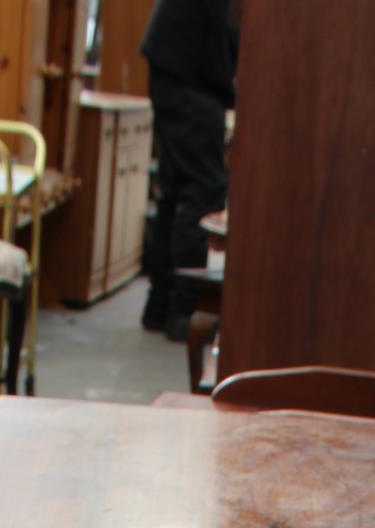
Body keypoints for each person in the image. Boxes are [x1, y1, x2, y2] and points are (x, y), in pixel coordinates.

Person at [140, 0, 238, 342]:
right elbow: (225, 26)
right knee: (203, 189)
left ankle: (160, 305)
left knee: (177, 185)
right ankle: (184, 311)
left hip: (172, 61)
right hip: (188, 70)